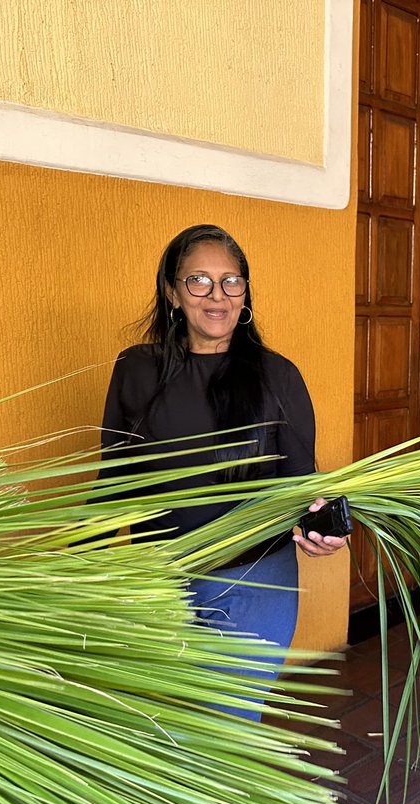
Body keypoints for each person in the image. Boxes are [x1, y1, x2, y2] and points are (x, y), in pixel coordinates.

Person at [100, 224, 345, 716]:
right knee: (169, 724)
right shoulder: (137, 370)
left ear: (245, 292)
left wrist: (325, 529)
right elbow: (114, 480)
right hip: (160, 583)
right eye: (199, 281)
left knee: (223, 732)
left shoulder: (277, 376)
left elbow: (301, 488)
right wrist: (81, 569)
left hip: (253, 584)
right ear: (172, 292)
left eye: (231, 281)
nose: (218, 296)